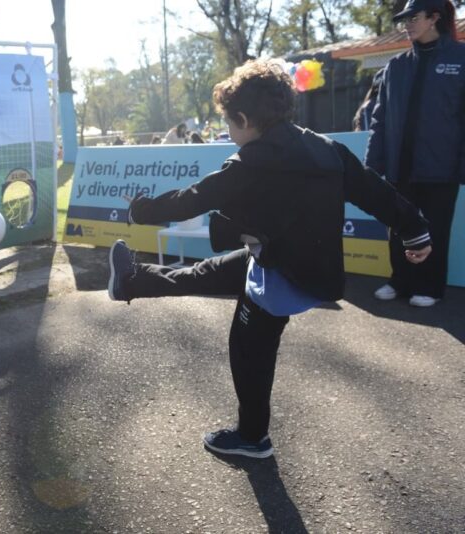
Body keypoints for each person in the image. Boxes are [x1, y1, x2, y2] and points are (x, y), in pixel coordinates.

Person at [106, 59, 432, 459]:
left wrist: (140, 210)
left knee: (249, 353)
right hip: (304, 265)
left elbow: (196, 197)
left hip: (284, 275)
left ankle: (252, 437)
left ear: (244, 118)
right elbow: (374, 191)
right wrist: (414, 228)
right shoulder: (326, 148)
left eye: (229, 122)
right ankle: (131, 280)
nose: (229, 132)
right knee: (207, 273)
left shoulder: (251, 161)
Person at [365, 0, 463, 307]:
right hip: (399, 168)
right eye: (404, 20)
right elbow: (379, 119)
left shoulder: (460, 59)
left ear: (434, 18)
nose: (406, 24)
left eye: (413, 18)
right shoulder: (396, 65)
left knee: (434, 229)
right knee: (398, 227)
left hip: (440, 167)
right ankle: (400, 280)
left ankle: (430, 287)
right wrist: (373, 164)